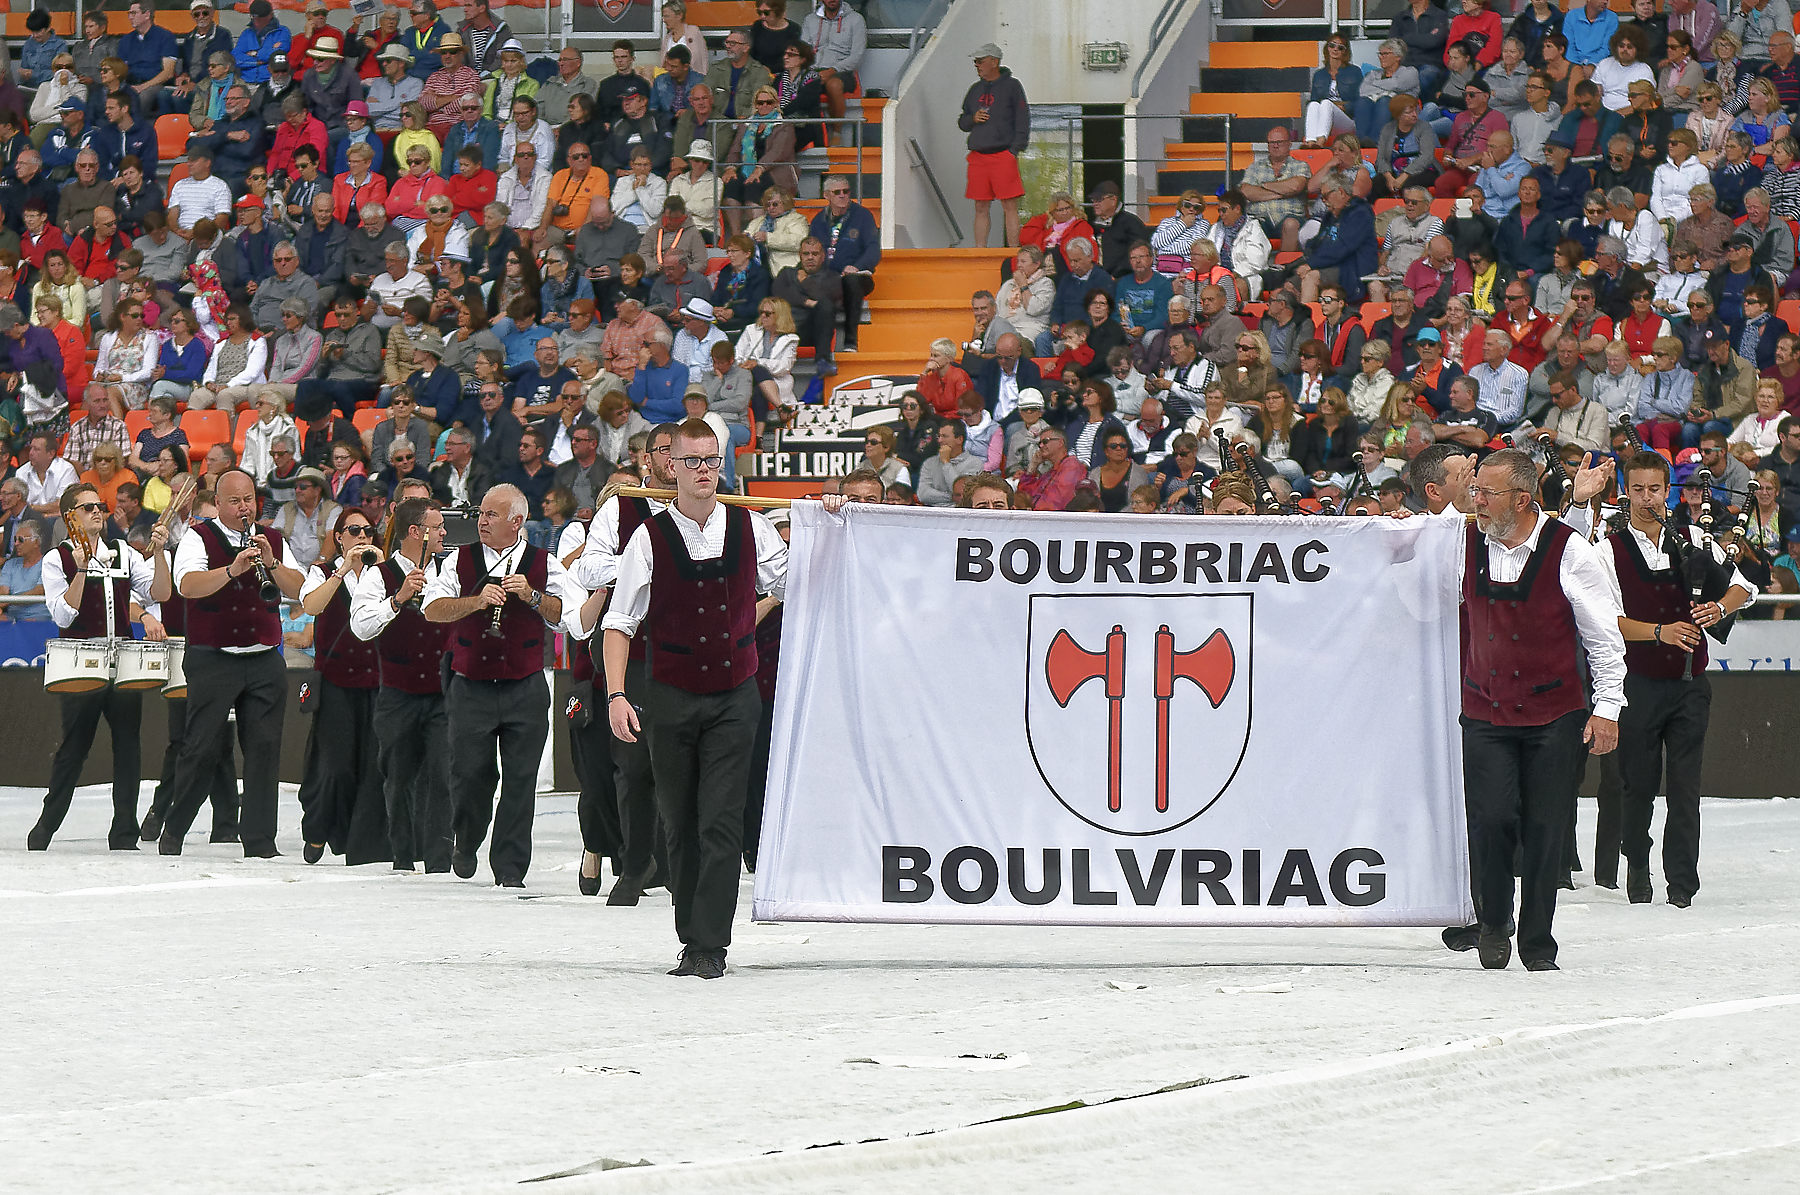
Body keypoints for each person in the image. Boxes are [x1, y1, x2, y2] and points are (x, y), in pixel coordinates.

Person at [603, 418, 786, 977]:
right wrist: (615, 694)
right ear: (672, 467)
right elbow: (620, 622)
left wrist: (741, 631)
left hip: (735, 696)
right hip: (671, 695)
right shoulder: (648, 537)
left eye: (712, 460)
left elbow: (789, 580)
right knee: (679, 820)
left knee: (721, 821)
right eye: (693, 461)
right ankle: (691, 930)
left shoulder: (753, 527)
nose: (705, 470)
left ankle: (711, 943)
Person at [1443, 447, 1626, 971]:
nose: (1474, 500)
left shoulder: (1571, 552)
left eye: (1485, 492)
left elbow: (1604, 637)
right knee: (1491, 819)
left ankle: (1538, 938)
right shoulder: (1461, 542)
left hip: (1555, 714)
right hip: (1484, 710)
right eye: (1474, 490)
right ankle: (1494, 922)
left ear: (1522, 500)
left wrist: (1608, 706)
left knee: (1547, 827)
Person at [1586, 452, 1754, 907]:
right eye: (1637, 489)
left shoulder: (1693, 540)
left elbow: (1743, 587)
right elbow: (1606, 622)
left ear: (1667, 491)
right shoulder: (1607, 550)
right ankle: (1637, 868)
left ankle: (1682, 882)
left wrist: (1719, 608)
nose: (1646, 499)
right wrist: (1659, 632)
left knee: (1685, 787)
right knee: (1636, 785)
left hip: (1689, 685)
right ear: (1626, 492)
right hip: (1638, 684)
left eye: (1654, 489)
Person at [422, 483, 574, 886]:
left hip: (525, 684)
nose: (481, 521)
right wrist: (475, 601)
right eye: (481, 514)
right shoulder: (459, 560)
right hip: (471, 685)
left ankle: (510, 869)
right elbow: (432, 610)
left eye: (491, 515)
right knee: (471, 774)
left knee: (521, 780)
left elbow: (567, 616)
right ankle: (467, 837)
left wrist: (533, 595)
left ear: (517, 521)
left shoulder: (544, 563)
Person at [157, 470, 303, 857]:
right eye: (235, 501)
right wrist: (233, 570)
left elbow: (297, 588)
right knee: (201, 747)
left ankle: (259, 840)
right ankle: (174, 830)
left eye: (249, 500)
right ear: (218, 504)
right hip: (213, 657)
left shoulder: (271, 538)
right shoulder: (198, 536)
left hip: (263, 658)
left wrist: (270, 564)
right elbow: (187, 585)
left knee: (264, 748)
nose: (244, 508)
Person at [27, 486, 172, 851]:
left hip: (122, 661)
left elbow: (160, 594)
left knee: (129, 746)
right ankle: (47, 825)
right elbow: (63, 613)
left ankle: (125, 830)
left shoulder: (123, 552)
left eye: (100, 506)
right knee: (73, 748)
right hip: (81, 662)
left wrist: (161, 554)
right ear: (69, 516)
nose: (97, 511)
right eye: (88, 507)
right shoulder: (56, 558)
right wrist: (80, 568)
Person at [350, 497, 452, 872]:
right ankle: (403, 859)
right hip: (397, 693)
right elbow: (360, 627)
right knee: (398, 778)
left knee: (443, 776)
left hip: (443, 693)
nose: (444, 532)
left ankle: (440, 861)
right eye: (438, 526)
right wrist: (398, 600)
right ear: (416, 532)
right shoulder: (379, 574)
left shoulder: (449, 571)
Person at [294, 508, 389, 866]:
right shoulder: (321, 572)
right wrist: (344, 569)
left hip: (377, 681)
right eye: (353, 530)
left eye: (368, 530)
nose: (362, 537)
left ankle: (364, 842)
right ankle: (319, 829)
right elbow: (312, 606)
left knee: (373, 765)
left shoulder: (383, 575)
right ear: (339, 537)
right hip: (335, 681)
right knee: (334, 765)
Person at [958, 44, 1028, 249]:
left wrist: (1014, 150)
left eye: (980, 61)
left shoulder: (1012, 86)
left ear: (994, 62)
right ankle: (980, 250)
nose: (977, 65)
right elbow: (962, 122)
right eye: (976, 62)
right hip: (978, 155)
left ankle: (1014, 250)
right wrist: (973, 118)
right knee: (980, 205)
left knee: (1009, 205)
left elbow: (1023, 119)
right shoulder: (974, 89)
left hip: (1003, 154)